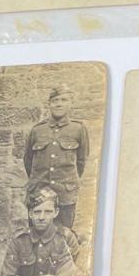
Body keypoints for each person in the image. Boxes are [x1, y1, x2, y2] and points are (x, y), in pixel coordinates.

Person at [23, 83, 90, 230]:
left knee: (63, 234)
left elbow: (81, 162)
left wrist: (68, 182)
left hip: (65, 194)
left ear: (71, 103)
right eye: (55, 101)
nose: (59, 104)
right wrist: (37, 182)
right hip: (39, 192)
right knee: (36, 233)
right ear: (49, 104)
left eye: (64, 100)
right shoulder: (37, 130)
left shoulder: (78, 129)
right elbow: (28, 161)